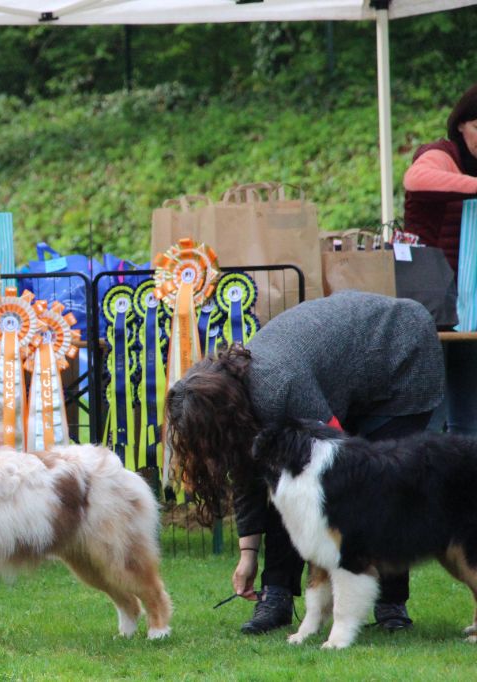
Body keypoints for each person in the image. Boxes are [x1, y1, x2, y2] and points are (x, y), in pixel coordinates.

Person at [164, 291, 444, 634]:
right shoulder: (240, 403)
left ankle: (391, 602)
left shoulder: (278, 386)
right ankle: (277, 595)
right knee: (288, 483)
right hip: (352, 369)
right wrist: (247, 553)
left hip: (401, 354)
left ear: (221, 415)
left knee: (380, 486)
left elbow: (339, 459)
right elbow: (248, 475)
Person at [403, 82, 477, 437]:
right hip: (431, 296)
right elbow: (415, 178)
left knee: (468, 408)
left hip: (472, 304)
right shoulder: (440, 154)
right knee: (429, 408)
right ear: (461, 125)